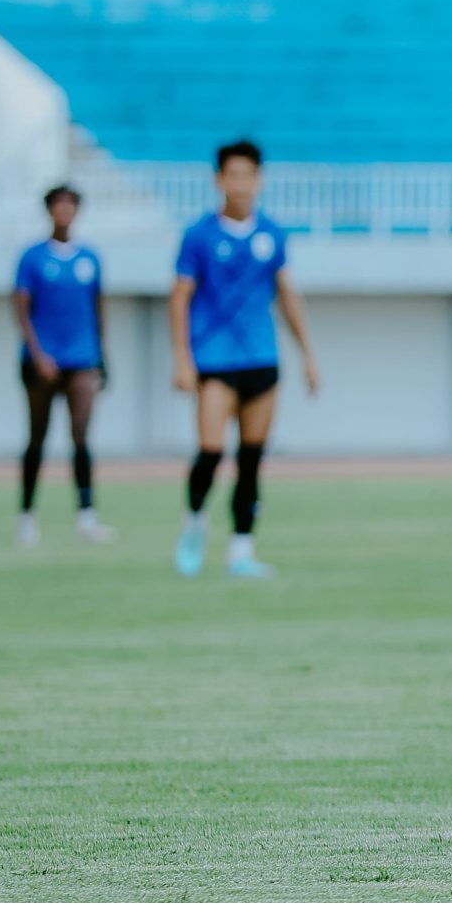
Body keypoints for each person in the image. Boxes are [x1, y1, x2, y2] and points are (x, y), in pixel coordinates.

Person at [169, 140, 321, 579]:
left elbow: (286, 295)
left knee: (252, 459)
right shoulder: (199, 235)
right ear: (219, 179)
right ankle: (195, 519)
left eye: (248, 175)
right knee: (211, 452)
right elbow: (179, 297)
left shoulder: (272, 234)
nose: (240, 184)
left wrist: (308, 354)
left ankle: (241, 550)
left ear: (260, 180)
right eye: (232, 175)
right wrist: (182, 359)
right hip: (215, 360)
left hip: (262, 357)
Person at [12, 184, 114, 546]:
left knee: (81, 436)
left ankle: (87, 516)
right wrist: (38, 355)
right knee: (37, 437)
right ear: (49, 211)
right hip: (42, 361)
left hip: (82, 359)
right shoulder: (32, 257)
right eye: (58, 205)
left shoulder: (90, 257)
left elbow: (97, 307)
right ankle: (26, 516)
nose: (64, 212)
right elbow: (21, 309)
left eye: (70, 205)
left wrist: (102, 356)